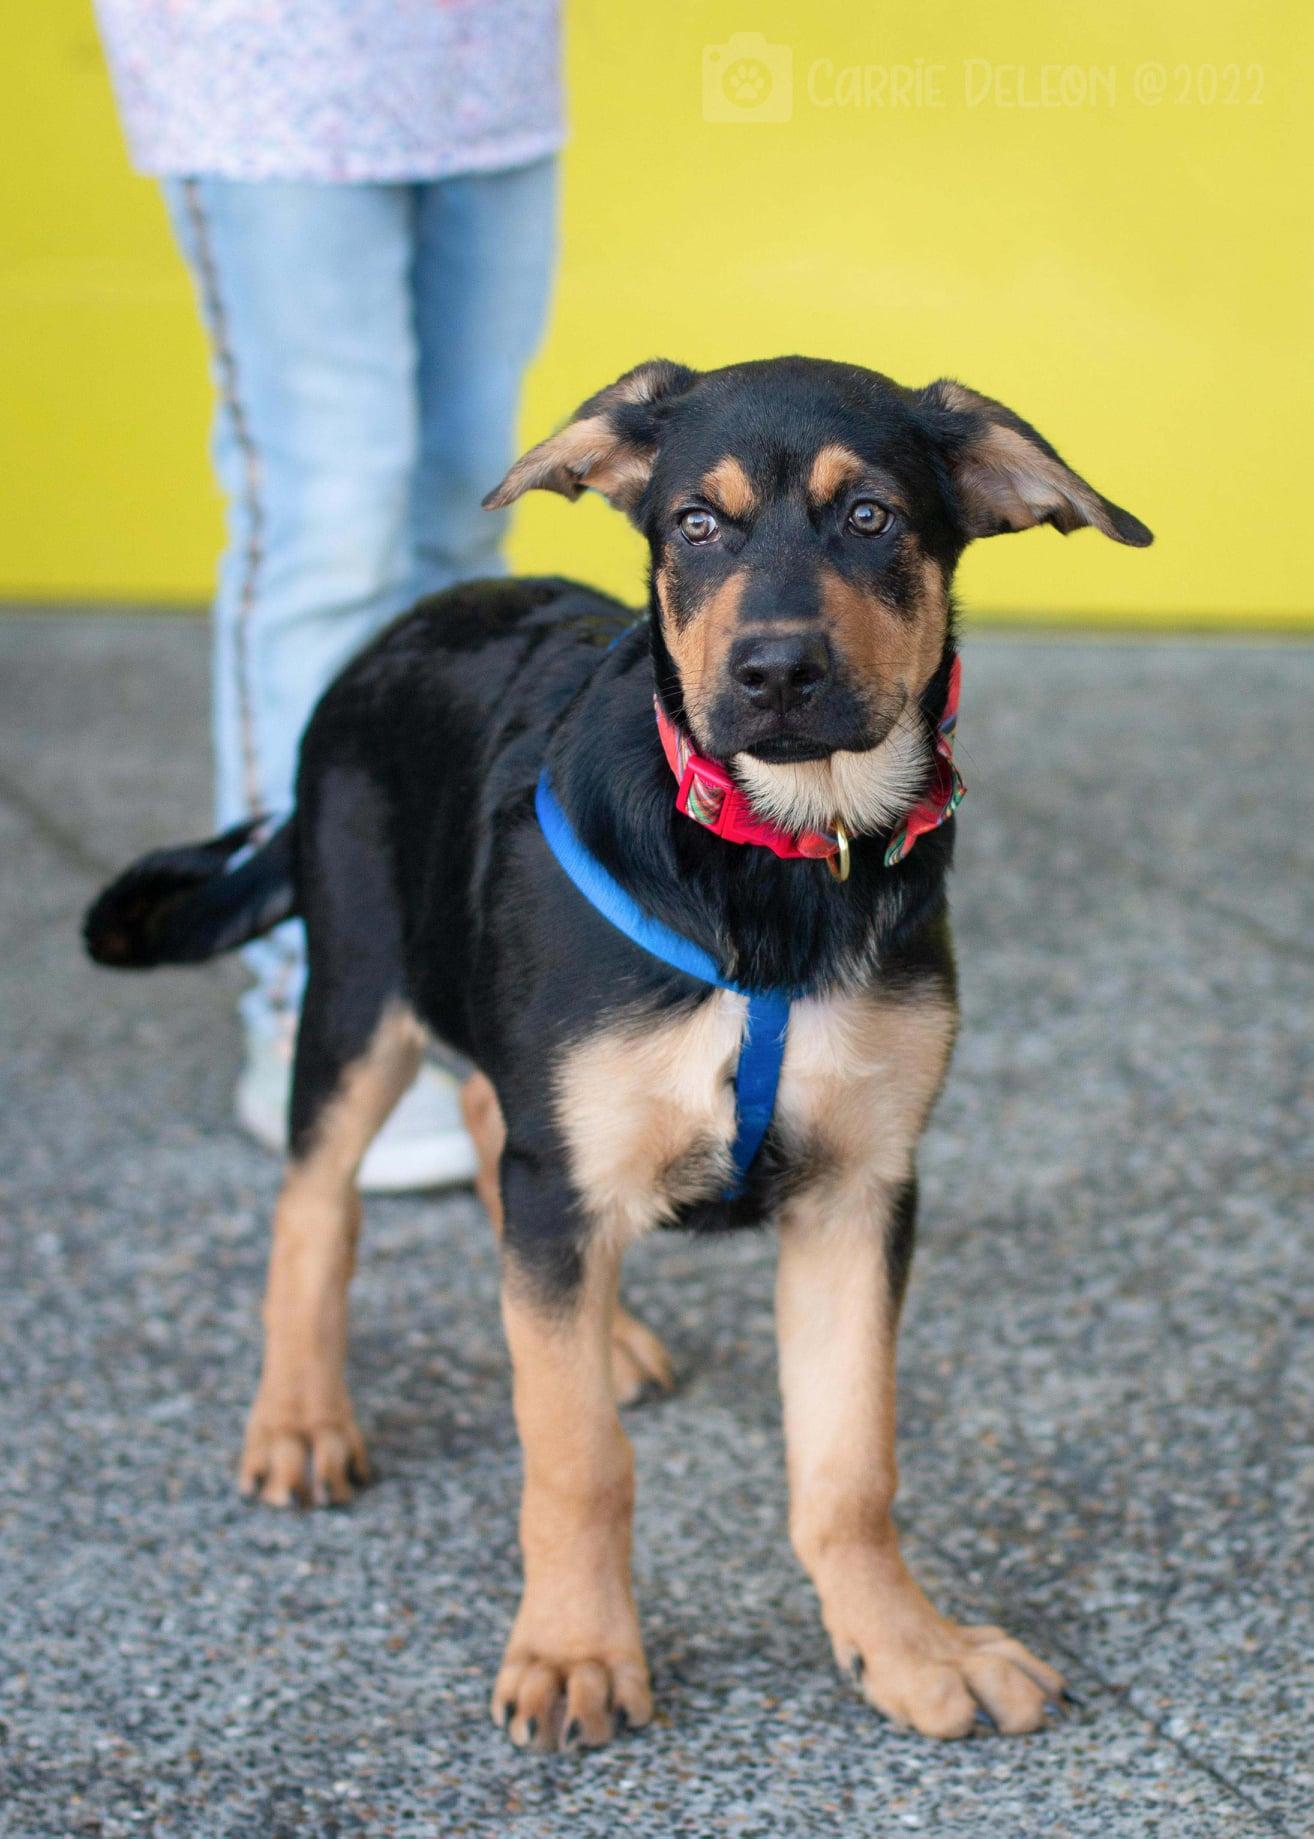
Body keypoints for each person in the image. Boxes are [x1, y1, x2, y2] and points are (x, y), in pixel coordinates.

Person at [94, 1, 563, 1190]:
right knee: (329, 525)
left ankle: (458, 970)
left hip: (484, 71)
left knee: (466, 510)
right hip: (268, 79)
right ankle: (310, 1004)